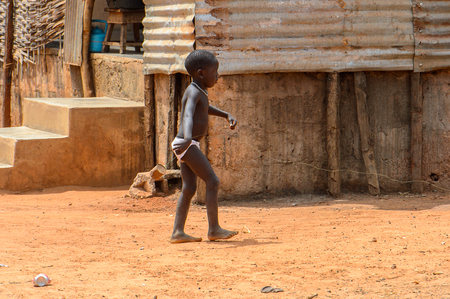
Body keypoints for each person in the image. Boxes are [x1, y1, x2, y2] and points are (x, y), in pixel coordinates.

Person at [170, 50, 239, 243]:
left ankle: (178, 232)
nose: (217, 75)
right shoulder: (193, 91)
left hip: (187, 143)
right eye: (214, 70)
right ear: (201, 73)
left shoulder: (199, 90)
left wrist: (226, 115)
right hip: (187, 142)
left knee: (189, 188)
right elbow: (188, 114)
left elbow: (205, 107)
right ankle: (214, 229)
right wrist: (189, 137)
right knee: (213, 181)